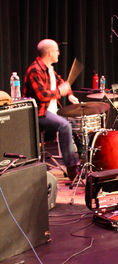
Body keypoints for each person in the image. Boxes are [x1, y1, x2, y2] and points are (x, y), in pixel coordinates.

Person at [23, 39, 80, 181]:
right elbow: (42, 96)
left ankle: (81, 162)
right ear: (49, 53)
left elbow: (62, 83)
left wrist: (70, 94)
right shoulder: (35, 70)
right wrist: (60, 92)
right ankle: (72, 168)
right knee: (64, 125)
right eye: (56, 51)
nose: (59, 53)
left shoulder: (49, 69)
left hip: (49, 111)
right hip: (38, 114)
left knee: (75, 121)